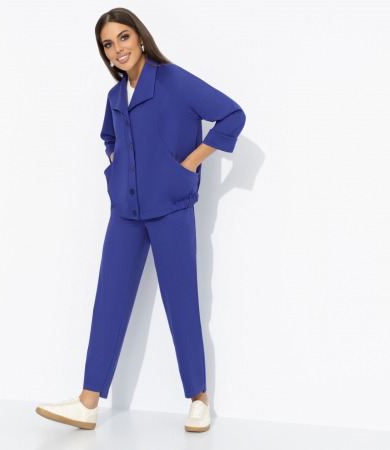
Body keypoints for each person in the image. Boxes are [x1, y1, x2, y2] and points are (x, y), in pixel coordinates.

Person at [36, 7, 246, 432]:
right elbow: (109, 137)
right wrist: (116, 164)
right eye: (108, 44)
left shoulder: (172, 80)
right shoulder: (116, 97)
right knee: (108, 301)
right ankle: (88, 403)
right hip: (126, 213)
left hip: (170, 208)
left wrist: (189, 164)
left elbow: (232, 114)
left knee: (181, 302)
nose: (117, 49)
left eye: (123, 37)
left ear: (140, 37)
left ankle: (199, 399)